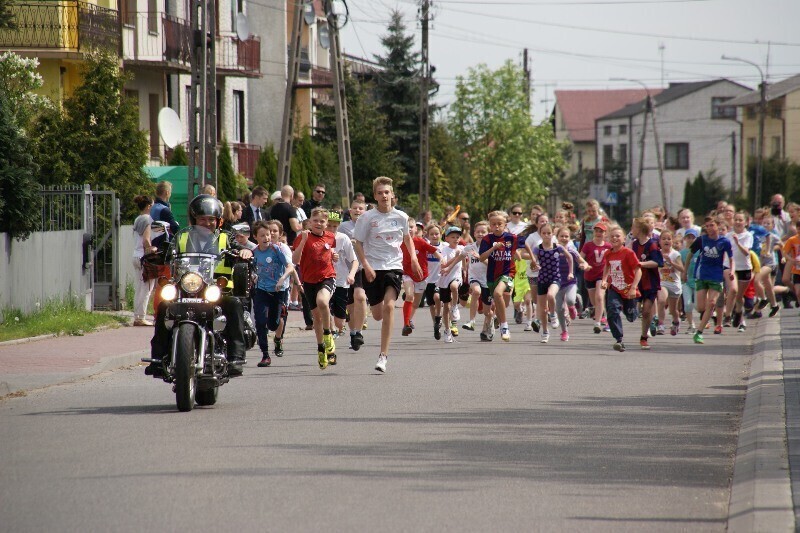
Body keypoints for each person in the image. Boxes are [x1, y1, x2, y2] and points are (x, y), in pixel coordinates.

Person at [147, 195, 253, 377]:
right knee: (164, 306)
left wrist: (244, 251)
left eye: (211, 219)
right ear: (194, 219)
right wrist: (158, 253)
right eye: (202, 219)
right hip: (186, 288)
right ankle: (158, 358)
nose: (207, 223)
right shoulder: (182, 237)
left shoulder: (225, 238)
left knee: (234, 304)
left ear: (218, 220)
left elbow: (239, 248)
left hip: (218, 290)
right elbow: (169, 250)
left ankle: (236, 357)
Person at [353, 177, 421, 373]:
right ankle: (368, 316)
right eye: (380, 193)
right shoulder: (367, 218)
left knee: (390, 306)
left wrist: (414, 260)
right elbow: (358, 243)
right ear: (375, 196)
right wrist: (365, 265)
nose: (384, 196)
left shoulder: (401, 217)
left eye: (387, 192)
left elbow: (407, 238)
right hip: (372, 267)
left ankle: (383, 355)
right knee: (377, 315)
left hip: (393, 266)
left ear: (392, 194)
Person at [292, 207, 339, 369]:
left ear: (326, 224)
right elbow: (295, 260)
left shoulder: (331, 237)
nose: (319, 223)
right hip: (309, 281)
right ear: (310, 222)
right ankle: (321, 349)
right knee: (316, 318)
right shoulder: (302, 238)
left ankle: (328, 335)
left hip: (327, 277)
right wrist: (304, 240)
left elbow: (330, 252)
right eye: (316, 220)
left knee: (322, 301)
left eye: (322, 221)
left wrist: (335, 256)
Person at [251, 220, 294, 367]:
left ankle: (277, 336)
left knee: (273, 325)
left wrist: (282, 279)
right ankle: (265, 355)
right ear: (255, 237)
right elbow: (251, 270)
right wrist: (253, 276)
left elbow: (290, 267)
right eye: (262, 235)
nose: (266, 238)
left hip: (277, 291)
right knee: (260, 322)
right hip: (261, 290)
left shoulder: (277, 250)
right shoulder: (254, 252)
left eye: (268, 235)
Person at [686, 217, 735, 345]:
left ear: (717, 226)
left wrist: (732, 271)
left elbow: (731, 258)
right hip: (702, 275)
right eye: (707, 226)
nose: (709, 229)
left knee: (712, 303)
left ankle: (699, 333)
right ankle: (707, 316)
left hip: (716, 276)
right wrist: (685, 271)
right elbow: (690, 253)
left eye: (712, 225)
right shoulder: (702, 240)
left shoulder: (724, 242)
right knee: (700, 307)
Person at [524, 223, 573, 344]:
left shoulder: (558, 247)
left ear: (553, 234)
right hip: (542, 279)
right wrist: (534, 265)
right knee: (542, 309)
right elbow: (533, 262)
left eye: (549, 233)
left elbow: (570, 257)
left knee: (551, 295)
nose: (546, 235)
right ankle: (545, 332)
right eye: (544, 233)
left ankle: (553, 315)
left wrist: (570, 272)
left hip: (555, 278)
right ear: (540, 234)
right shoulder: (538, 248)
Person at [601, 225, 642, 353]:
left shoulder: (628, 253)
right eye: (612, 236)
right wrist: (604, 280)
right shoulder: (608, 253)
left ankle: (633, 310)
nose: (614, 238)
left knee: (631, 317)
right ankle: (619, 339)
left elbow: (638, 270)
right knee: (612, 310)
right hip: (614, 288)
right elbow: (607, 267)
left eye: (617, 236)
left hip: (629, 289)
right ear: (608, 238)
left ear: (624, 239)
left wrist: (633, 288)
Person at [478, 211, 517, 342]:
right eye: (493, 224)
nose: (496, 226)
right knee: (491, 305)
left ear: (505, 224)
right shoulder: (487, 239)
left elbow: (524, 246)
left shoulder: (512, 238)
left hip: (508, 273)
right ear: (490, 225)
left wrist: (533, 259)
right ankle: (495, 323)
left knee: (498, 293)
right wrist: (493, 249)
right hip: (491, 276)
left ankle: (504, 327)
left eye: (499, 224)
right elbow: (481, 257)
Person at [400, 217, 441, 336]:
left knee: (416, 303)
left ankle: (409, 319)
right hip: (407, 274)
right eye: (407, 228)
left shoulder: (420, 241)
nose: (410, 230)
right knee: (409, 295)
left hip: (422, 277)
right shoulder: (399, 243)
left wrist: (442, 260)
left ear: (416, 229)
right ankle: (406, 324)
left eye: (412, 227)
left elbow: (434, 251)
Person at [338, 198, 368, 350]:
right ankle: (353, 334)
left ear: (365, 211)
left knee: (360, 297)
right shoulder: (343, 227)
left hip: (362, 268)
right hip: (345, 268)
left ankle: (360, 331)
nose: (357, 211)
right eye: (355, 208)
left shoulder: (369, 226)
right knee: (349, 304)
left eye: (360, 208)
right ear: (350, 212)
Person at [629, 217, 663, 349]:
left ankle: (644, 337)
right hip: (637, 283)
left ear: (640, 229)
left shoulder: (652, 245)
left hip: (650, 283)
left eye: (634, 227)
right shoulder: (634, 244)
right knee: (635, 311)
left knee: (647, 310)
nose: (632, 230)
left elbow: (657, 262)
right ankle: (639, 315)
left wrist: (641, 263)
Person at [327, 212, 359, 338]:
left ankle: (341, 323)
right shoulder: (319, 238)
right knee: (323, 305)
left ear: (339, 226)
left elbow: (354, 261)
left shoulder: (343, 238)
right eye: (329, 225)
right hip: (325, 279)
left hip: (341, 281)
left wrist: (351, 274)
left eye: (334, 226)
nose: (331, 229)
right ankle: (330, 332)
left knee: (340, 322)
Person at [554, 225, 588, 342]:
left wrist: (584, 265)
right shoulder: (553, 250)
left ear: (570, 238)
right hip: (557, 283)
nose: (564, 238)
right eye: (561, 236)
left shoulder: (572, 251)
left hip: (570, 282)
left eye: (566, 236)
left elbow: (583, 262)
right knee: (559, 309)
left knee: (569, 300)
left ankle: (573, 306)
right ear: (557, 237)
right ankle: (564, 332)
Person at [150, 181, 179, 313]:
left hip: (152, 247)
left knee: (152, 284)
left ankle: (155, 310)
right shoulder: (164, 210)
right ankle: (159, 311)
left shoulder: (152, 207)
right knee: (164, 281)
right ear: (167, 193)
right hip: (164, 248)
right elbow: (175, 228)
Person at [580, 221, 611, 334]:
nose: (598, 233)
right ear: (593, 232)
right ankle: (601, 314)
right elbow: (580, 257)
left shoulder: (608, 246)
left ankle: (597, 323)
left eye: (601, 231)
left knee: (599, 297)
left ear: (605, 234)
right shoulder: (588, 245)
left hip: (602, 275)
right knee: (594, 302)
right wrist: (584, 264)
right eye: (597, 231)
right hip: (589, 276)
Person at [461, 221, 491, 335]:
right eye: (478, 232)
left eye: (483, 232)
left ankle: (487, 329)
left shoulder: (491, 248)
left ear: (488, 233)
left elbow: (492, 265)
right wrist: (462, 267)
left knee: (487, 312)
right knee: (476, 291)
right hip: (474, 278)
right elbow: (460, 256)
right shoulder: (469, 247)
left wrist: (480, 258)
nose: (480, 234)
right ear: (474, 233)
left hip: (488, 281)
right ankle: (472, 321)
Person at [438, 226, 467, 343]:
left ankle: (455, 307)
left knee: (454, 286)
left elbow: (464, 262)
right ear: (447, 238)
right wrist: (455, 258)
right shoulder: (444, 250)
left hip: (456, 278)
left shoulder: (461, 248)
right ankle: (447, 330)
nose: (456, 239)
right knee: (445, 307)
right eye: (453, 237)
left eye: (458, 237)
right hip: (444, 279)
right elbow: (443, 265)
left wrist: (465, 273)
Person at [727, 211, 754, 332]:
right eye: (736, 219)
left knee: (739, 296)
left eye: (740, 220)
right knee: (733, 291)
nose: (737, 222)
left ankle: (738, 313)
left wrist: (737, 242)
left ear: (746, 222)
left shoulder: (748, 235)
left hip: (745, 268)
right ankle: (733, 316)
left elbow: (746, 253)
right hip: (731, 268)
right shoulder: (728, 235)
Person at [132, 195, 156, 326]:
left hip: (135, 255)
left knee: (139, 287)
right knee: (147, 288)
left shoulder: (137, 219)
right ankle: (141, 317)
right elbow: (146, 240)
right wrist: (152, 248)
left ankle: (137, 315)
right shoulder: (148, 219)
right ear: (148, 206)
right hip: (144, 257)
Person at [656, 230, 684, 336]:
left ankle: (676, 321)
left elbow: (682, 269)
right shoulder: (657, 253)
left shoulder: (675, 254)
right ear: (659, 241)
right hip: (663, 282)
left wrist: (671, 263)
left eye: (669, 239)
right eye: (663, 239)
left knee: (673, 310)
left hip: (674, 284)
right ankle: (661, 324)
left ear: (672, 241)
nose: (666, 241)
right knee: (662, 300)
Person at [679, 229, 700, 334]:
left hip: (698, 281)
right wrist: (682, 274)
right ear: (685, 239)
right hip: (686, 281)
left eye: (693, 237)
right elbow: (680, 266)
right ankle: (691, 325)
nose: (691, 239)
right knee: (687, 304)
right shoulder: (682, 253)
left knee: (697, 305)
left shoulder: (700, 252)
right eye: (688, 237)